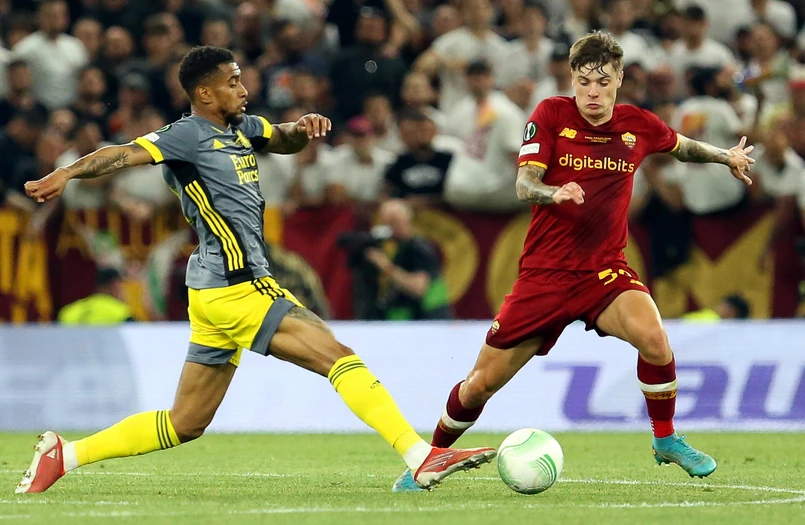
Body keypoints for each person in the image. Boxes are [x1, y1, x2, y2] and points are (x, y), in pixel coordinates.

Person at [16, 45, 495, 495]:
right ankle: (419, 456)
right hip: (236, 284)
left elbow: (281, 138)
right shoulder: (186, 135)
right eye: (233, 82)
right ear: (205, 93)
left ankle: (64, 456)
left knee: (185, 422)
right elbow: (122, 153)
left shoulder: (240, 128)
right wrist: (67, 172)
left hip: (214, 290)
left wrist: (302, 128)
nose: (243, 90)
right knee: (337, 355)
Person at [392, 32, 755, 492]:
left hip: (604, 273)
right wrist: (553, 193)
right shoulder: (550, 114)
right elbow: (524, 184)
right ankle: (429, 458)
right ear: (572, 79)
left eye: (602, 82)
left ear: (619, 79)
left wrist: (726, 156)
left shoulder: (637, 124)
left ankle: (665, 439)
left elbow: (680, 145)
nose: (593, 92)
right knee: (480, 384)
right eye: (584, 82)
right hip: (544, 277)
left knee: (654, 340)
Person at [57, 267, 133, 325]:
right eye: (120, 287)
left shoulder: (68, 312)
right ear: (113, 286)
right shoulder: (119, 311)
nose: (123, 292)